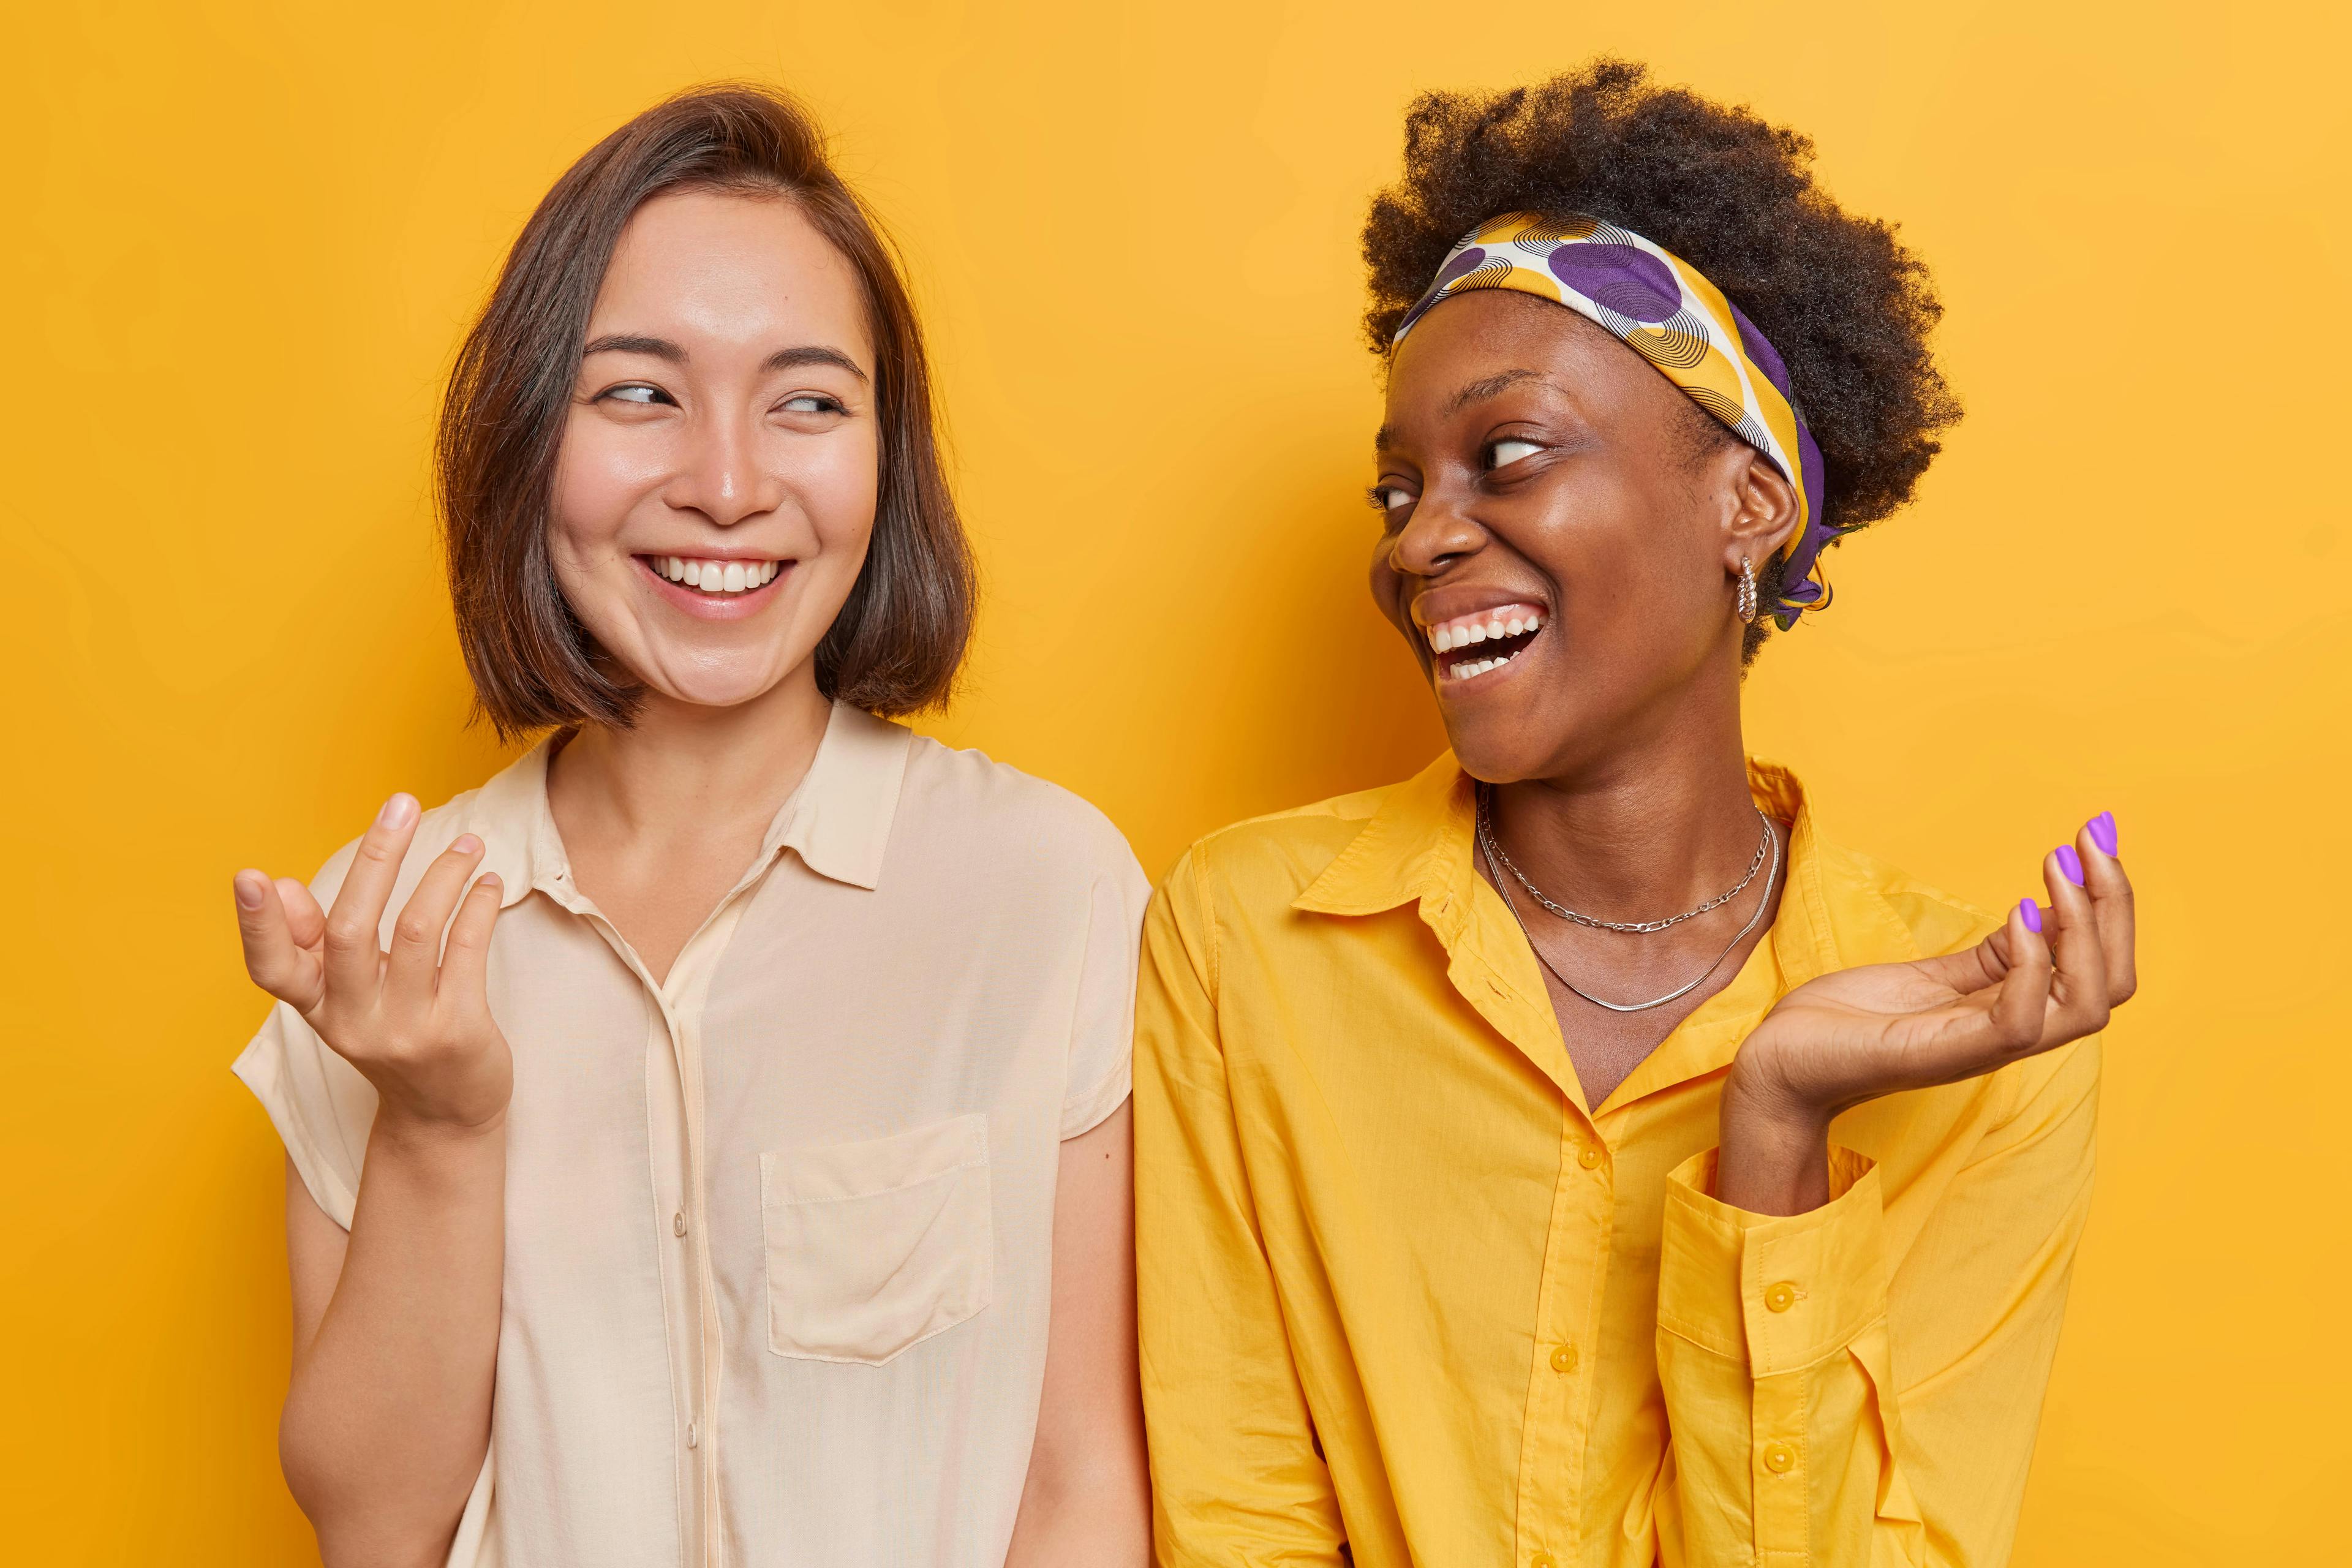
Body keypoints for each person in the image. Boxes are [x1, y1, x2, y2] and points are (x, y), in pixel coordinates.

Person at [1134, 60, 2136, 1568]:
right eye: (1395, 490)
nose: (1423, 541)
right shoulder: (1247, 935)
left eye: (1508, 455)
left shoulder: (1988, 1048)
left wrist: (1779, 1123)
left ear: (1748, 504)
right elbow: (1241, 1520)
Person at [230, 85, 1150, 1568]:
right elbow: (373, 1521)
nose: (727, 487)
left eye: (806, 400)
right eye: (639, 392)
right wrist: (442, 1121)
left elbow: (1079, 1484)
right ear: (531, 439)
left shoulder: (1042, 886)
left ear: (885, 458)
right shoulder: (386, 925)